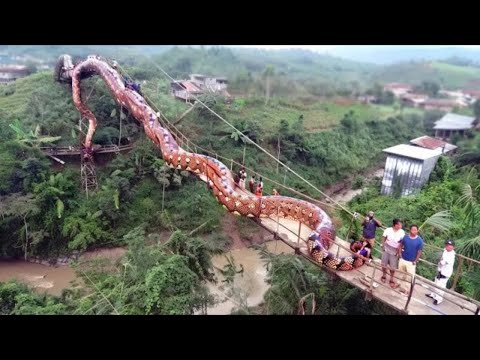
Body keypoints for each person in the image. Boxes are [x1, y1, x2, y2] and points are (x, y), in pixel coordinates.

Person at [426, 240, 456, 305]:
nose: (448, 247)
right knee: (436, 282)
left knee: (441, 286)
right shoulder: (445, 250)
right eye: (447, 245)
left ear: (453, 247)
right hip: (440, 270)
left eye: (450, 246)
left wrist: (440, 262)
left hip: (445, 273)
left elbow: (445, 262)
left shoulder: (452, 255)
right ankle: (433, 295)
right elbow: (442, 257)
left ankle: (439, 299)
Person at [397, 224, 424, 295]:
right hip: (403, 259)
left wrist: (415, 260)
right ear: (410, 230)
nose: (414, 231)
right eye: (412, 229)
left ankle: (407, 290)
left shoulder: (419, 240)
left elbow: (419, 252)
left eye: (415, 230)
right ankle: (400, 286)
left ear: (417, 230)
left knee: (409, 277)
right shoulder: (405, 237)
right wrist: (400, 254)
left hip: (411, 262)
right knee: (401, 273)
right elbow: (400, 245)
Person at [380, 218, 405, 289]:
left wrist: (399, 250)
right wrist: (383, 246)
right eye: (400, 224)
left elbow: (401, 242)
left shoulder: (402, 232)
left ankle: (391, 278)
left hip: (395, 250)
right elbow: (383, 237)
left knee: (393, 266)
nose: (401, 225)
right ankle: (384, 275)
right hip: (387, 248)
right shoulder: (388, 230)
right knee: (384, 263)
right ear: (396, 225)